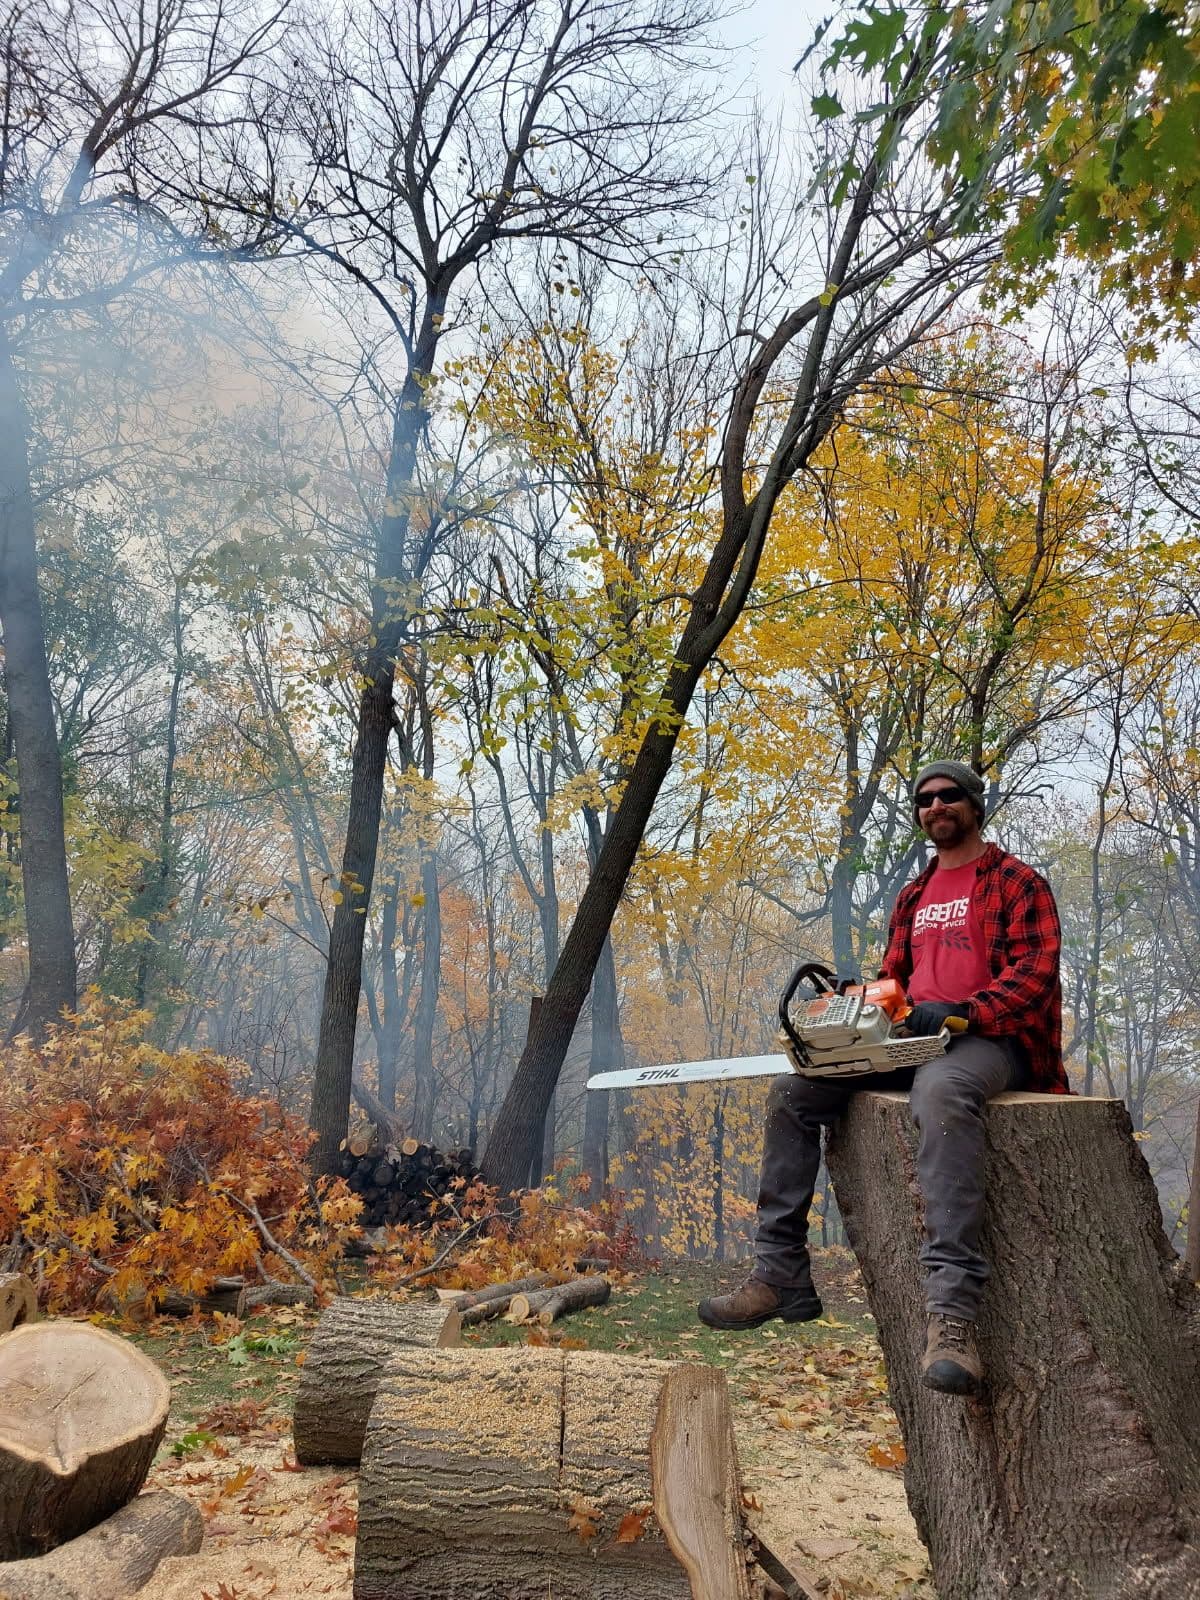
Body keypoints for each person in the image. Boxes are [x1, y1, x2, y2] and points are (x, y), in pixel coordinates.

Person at [697, 760, 1067, 1394]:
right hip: (909, 1040)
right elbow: (894, 975)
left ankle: (952, 1315)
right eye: (926, 799)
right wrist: (860, 1001)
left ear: (975, 805)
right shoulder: (913, 895)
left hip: (989, 1042)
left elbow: (1033, 977)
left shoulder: (1015, 882)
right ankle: (780, 1273)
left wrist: (964, 1011)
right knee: (793, 1088)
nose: (937, 806)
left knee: (942, 1090)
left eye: (950, 796)